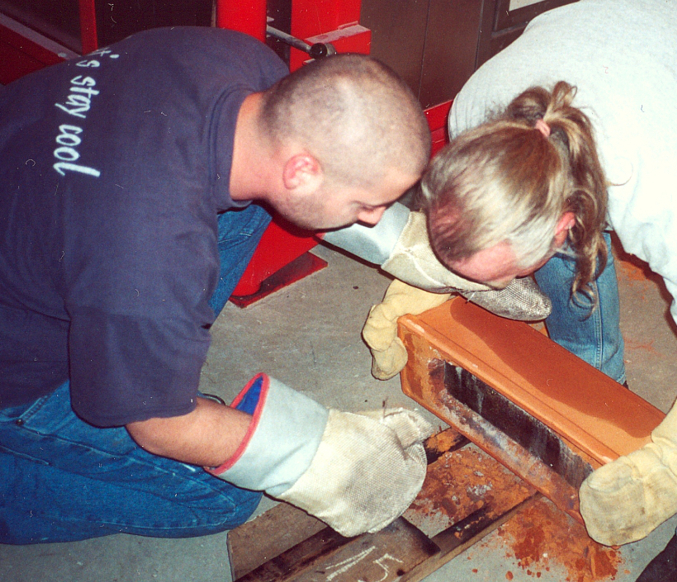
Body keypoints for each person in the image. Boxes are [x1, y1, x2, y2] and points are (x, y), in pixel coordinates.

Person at [371, 0, 677, 582]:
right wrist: (429, 283)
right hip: (662, 46)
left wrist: (673, 469)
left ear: (568, 220)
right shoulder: (478, 117)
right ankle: (593, 389)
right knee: (557, 270)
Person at [0, 25, 444, 544]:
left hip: (41, 214)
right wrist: (322, 458)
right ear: (301, 170)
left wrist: (420, 249)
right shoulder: (147, 252)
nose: (373, 220)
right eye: (365, 206)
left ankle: (148, 363)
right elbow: (160, 430)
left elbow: (309, 176)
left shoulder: (241, 66)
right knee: (224, 495)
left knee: (251, 210)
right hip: (19, 368)